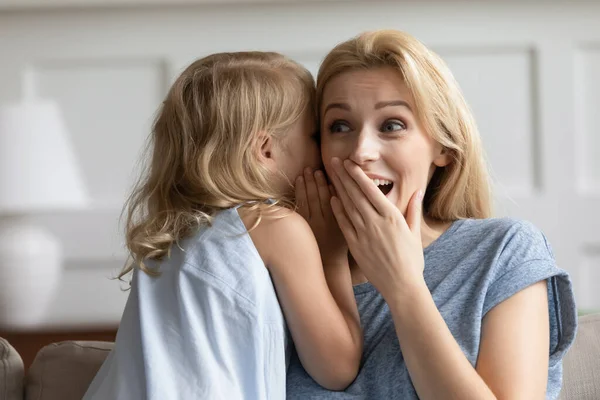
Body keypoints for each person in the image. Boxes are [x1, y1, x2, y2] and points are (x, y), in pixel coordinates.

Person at [287, 30, 577, 399]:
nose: (361, 151)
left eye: (392, 125)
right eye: (340, 126)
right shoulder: (288, 267)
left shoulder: (503, 251)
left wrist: (403, 285)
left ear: (442, 146)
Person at [83, 51, 362, 400]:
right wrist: (332, 254)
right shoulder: (276, 226)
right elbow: (337, 368)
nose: (323, 152)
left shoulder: (171, 235)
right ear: (265, 150)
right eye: (313, 136)